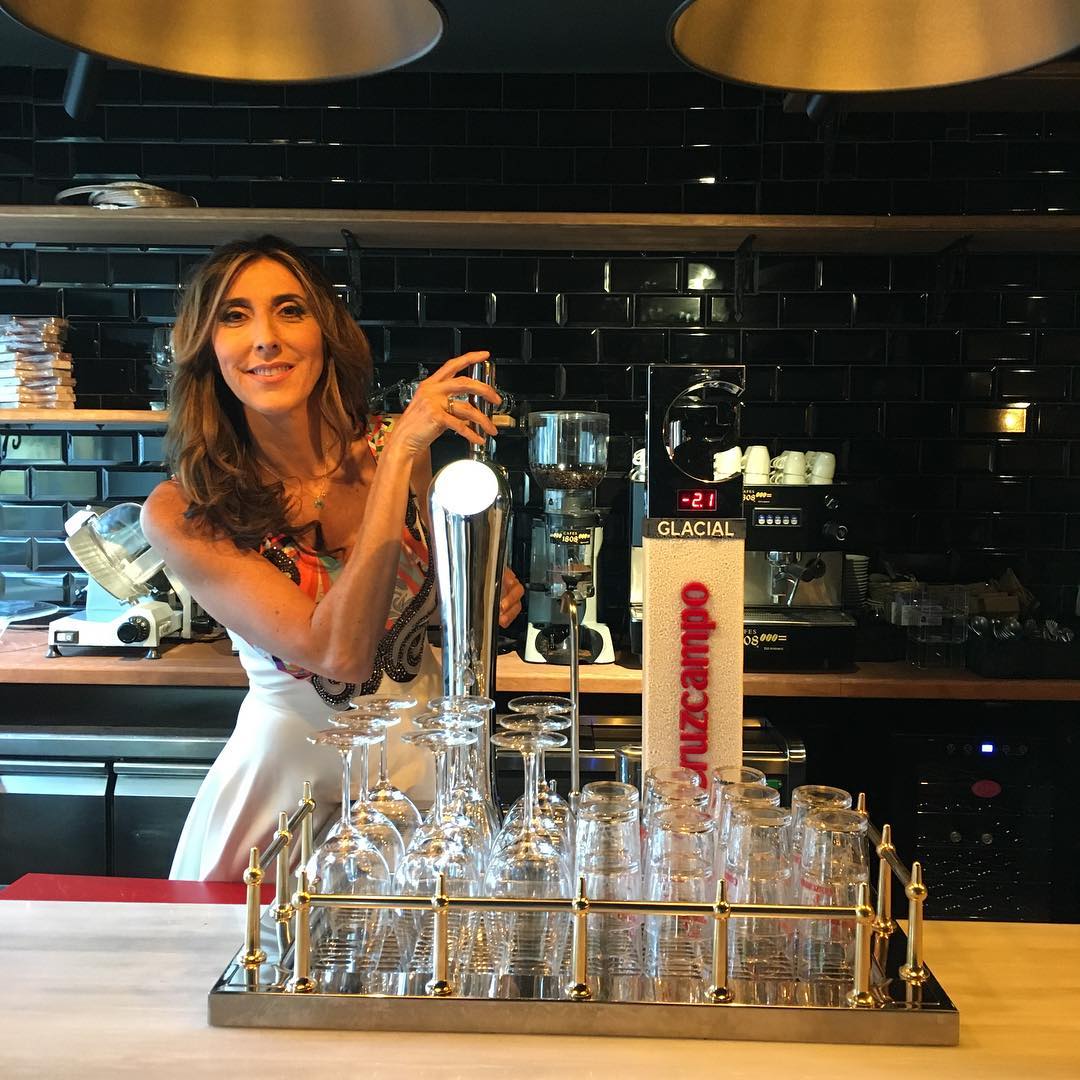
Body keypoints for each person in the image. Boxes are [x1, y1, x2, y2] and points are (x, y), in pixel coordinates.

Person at [141, 235, 524, 881]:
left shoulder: (398, 448)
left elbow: (412, 610)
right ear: (207, 347)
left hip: (425, 785)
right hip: (283, 808)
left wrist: (474, 589)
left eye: (289, 310)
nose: (265, 339)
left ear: (326, 332)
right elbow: (338, 655)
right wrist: (397, 457)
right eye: (235, 316)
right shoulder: (184, 509)